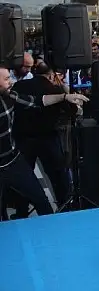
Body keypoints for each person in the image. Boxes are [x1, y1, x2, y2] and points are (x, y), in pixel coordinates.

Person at [0, 65, 87, 217]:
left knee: (41, 200)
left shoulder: (10, 95)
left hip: (13, 160)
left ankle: (51, 230)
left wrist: (65, 97)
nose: (11, 81)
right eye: (6, 79)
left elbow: (38, 101)